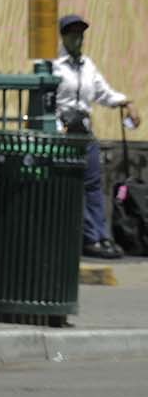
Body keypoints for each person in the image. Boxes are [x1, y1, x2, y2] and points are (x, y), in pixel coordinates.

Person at [54, 14, 139, 261]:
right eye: (72, 34)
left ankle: (102, 236)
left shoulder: (88, 65)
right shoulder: (54, 66)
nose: (77, 38)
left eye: (80, 33)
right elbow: (48, 100)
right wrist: (58, 127)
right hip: (65, 134)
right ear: (63, 37)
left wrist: (127, 102)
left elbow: (104, 93)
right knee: (74, 186)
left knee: (93, 186)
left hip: (85, 132)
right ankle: (90, 238)